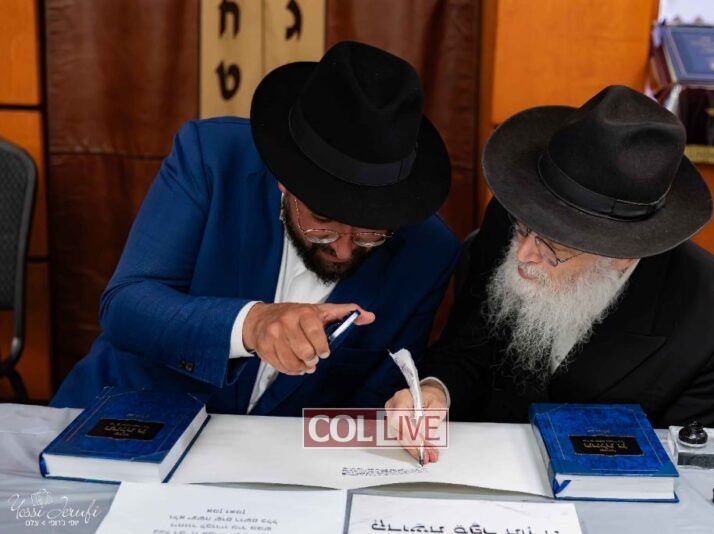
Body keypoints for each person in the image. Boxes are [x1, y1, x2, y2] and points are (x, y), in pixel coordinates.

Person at [51, 41, 460, 415]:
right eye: (322, 222)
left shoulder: (428, 252)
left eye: (370, 233)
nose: (343, 250)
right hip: (126, 414)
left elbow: (372, 403)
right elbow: (125, 305)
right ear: (284, 182)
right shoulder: (212, 159)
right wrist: (252, 324)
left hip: (276, 459)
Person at [388, 85, 714, 464]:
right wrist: (435, 390)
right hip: (480, 465)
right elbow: (468, 345)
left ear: (621, 256)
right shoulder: (514, 216)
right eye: (523, 230)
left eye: (553, 248)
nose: (523, 253)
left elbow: (685, 464)